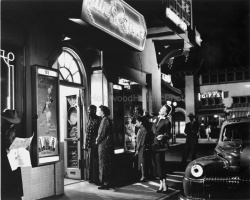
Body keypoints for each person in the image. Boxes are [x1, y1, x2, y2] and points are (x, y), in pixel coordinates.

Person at [1, 109, 23, 200]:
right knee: (10, 184)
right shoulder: (3, 130)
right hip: (7, 161)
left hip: (14, 159)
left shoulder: (13, 129)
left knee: (14, 182)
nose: (12, 124)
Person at [151, 104, 172, 194]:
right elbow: (152, 130)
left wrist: (163, 136)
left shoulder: (167, 121)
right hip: (153, 145)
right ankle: (161, 185)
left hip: (160, 146)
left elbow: (169, 135)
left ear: (166, 112)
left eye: (163, 108)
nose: (160, 109)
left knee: (160, 165)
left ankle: (164, 185)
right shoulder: (156, 119)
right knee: (156, 165)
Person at [95, 105, 114, 190]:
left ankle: (105, 183)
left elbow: (102, 133)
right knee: (107, 163)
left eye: (100, 111)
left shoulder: (104, 120)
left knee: (103, 163)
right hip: (107, 144)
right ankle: (107, 182)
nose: (99, 112)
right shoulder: (108, 120)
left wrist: (97, 140)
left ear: (103, 112)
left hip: (104, 145)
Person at [85, 105, 100, 185]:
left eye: (89, 110)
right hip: (90, 145)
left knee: (95, 162)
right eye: (88, 110)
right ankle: (91, 178)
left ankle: (96, 178)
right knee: (90, 162)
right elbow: (87, 133)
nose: (88, 111)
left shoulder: (98, 119)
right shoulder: (89, 120)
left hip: (95, 145)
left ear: (94, 110)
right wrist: (85, 144)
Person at [135, 116, 148, 182]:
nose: (136, 123)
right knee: (142, 162)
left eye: (137, 122)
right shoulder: (143, 129)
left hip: (141, 148)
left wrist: (137, 149)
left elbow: (140, 141)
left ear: (141, 122)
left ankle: (143, 176)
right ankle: (143, 176)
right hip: (142, 147)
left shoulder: (142, 130)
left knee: (142, 162)